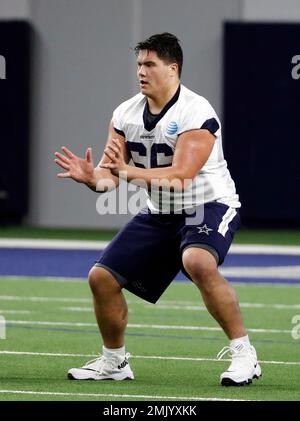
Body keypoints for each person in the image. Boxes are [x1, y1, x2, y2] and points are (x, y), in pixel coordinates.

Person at [54, 32, 261, 386]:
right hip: (161, 210)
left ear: (173, 69)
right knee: (101, 278)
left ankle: (245, 355)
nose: (141, 72)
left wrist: (124, 172)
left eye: (150, 64)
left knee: (197, 260)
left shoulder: (196, 110)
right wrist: (92, 177)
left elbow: (181, 176)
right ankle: (114, 362)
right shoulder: (125, 112)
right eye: (139, 64)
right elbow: (111, 178)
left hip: (208, 203)